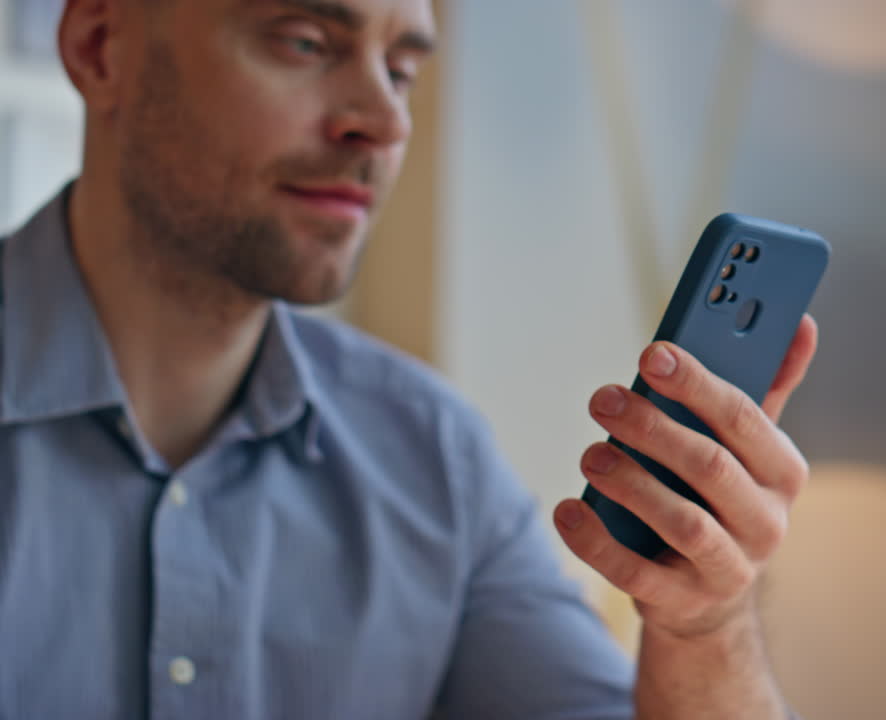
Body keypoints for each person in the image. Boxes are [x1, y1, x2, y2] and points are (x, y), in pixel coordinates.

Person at [0, 0, 821, 717]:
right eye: (304, 42)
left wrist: (705, 629)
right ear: (100, 46)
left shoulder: (433, 455)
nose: (386, 122)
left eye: (401, 70)